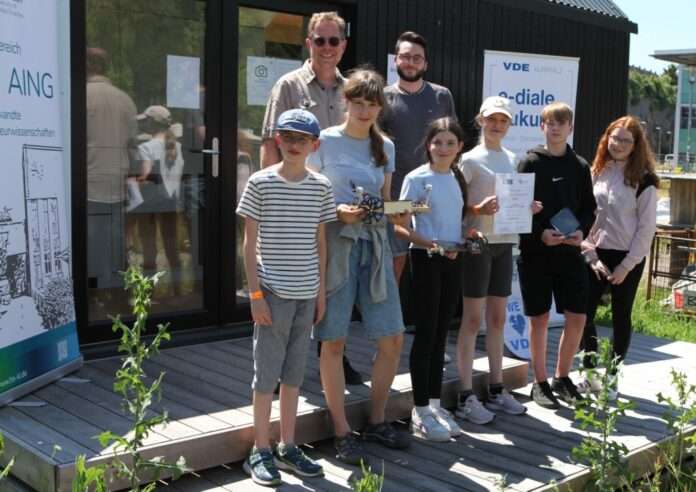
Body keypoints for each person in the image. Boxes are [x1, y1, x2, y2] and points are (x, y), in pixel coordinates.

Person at [308, 68, 411, 465]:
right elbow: (308, 197)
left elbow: (385, 203)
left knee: (392, 337)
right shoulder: (324, 141)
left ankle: (377, 419)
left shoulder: (386, 146)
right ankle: (341, 431)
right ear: (345, 102)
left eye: (372, 104)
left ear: (380, 107)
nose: (365, 111)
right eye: (358, 103)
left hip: (375, 246)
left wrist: (407, 210)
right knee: (333, 339)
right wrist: (338, 212)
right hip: (335, 245)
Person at [260, 11, 362, 385]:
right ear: (308, 43)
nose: (327, 47)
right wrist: (271, 198)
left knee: (333, 281)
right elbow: (270, 144)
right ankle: (278, 365)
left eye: (334, 41)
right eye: (320, 40)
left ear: (343, 45)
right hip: (296, 202)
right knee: (289, 282)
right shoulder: (289, 85)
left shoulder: (352, 90)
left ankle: (332, 354)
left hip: (340, 206)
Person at [237, 109, 336, 486]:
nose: (295, 145)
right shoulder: (260, 182)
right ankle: (260, 448)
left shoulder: (321, 186)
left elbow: (320, 242)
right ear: (277, 139)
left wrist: (321, 292)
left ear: (315, 145)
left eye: (302, 139)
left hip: (306, 292)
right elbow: (249, 243)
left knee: (294, 374)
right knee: (267, 375)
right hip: (272, 292)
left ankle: (288, 445)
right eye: (288, 137)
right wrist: (255, 294)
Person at [455, 96, 541, 423]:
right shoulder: (468, 160)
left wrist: (527, 208)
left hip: (505, 244)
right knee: (471, 321)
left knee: (497, 320)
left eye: (503, 120)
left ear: (509, 125)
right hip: (477, 244)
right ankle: (465, 395)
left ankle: (495, 388)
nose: (497, 125)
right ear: (481, 120)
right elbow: (456, 205)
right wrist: (477, 210)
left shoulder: (513, 159)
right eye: (492, 119)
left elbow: (514, 201)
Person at [517, 102, 597, 409]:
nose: (555, 128)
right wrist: (540, 234)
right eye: (549, 123)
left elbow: (589, 208)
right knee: (539, 318)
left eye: (561, 123)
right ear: (542, 127)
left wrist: (581, 232)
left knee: (578, 316)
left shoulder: (580, 166)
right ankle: (539, 383)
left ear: (570, 128)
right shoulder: (529, 162)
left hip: (569, 252)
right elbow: (517, 208)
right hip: (536, 253)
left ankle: (562, 378)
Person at [396, 117, 467, 441]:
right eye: (438, 142)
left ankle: (435, 405)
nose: (443, 148)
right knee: (426, 334)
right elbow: (398, 224)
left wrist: (467, 236)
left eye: (450, 142)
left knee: (441, 334)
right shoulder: (416, 178)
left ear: (460, 147)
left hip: (453, 259)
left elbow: (456, 221)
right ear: (428, 145)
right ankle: (420, 409)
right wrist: (431, 244)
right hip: (425, 259)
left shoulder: (457, 177)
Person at [579, 116, 658, 400]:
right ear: (607, 139)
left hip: (628, 257)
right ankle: (588, 373)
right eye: (615, 138)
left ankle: (612, 377)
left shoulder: (645, 180)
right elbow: (585, 216)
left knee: (620, 316)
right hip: (595, 254)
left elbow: (646, 229)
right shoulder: (596, 170)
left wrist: (626, 266)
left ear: (636, 145)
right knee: (583, 314)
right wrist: (589, 253)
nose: (619, 144)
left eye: (626, 140)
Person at [380, 31, 457, 281]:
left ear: (426, 64)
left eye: (417, 58)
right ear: (395, 60)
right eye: (405, 57)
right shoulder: (382, 98)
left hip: (432, 202)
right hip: (396, 199)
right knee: (395, 264)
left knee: (431, 269)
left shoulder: (442, 96)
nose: (410, 63)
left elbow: (452, 142)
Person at [86, 47, 137, 293]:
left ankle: (94, 291)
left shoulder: (81, 95)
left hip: (90, 179)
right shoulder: (124, 99)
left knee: (93, 240)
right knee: (116, 239)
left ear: (88, 65)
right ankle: (117, 289)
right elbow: (132, 142)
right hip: (117, 179)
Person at [131, 105, 185, 293]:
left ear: (152, 123)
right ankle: (178, 290)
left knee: (149, 249)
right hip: (170, 201)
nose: (143, 124)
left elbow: (145, 174)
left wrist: (133, 181)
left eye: (146, 120)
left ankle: (148, 292)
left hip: (150, 202)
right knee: (171, 247)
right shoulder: (178, 146)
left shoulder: (146, 147)